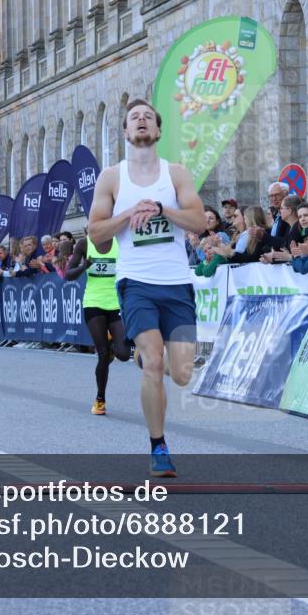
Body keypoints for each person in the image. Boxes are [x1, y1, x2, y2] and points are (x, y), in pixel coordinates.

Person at [87, 97, 205, 477]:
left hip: (177, 283)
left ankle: (141, 356)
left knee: (182, 372)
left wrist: (161, 208)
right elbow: (96, 233)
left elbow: (199, 222)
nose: (141, 120)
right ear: (125, 131)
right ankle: (159, 447)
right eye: (134, 117)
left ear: (158, 130)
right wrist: (129, 213)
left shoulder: (176, 174)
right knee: (155, 362)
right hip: (136, 282)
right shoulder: (112, 178)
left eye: (147, 117)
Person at [64, 234, 131, 415]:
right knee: (103, 355)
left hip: (116, 302)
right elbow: (68, 275)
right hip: (93, 302)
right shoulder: (84, 243)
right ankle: (100, 399)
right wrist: (83, 267)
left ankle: (112, 343)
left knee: (124, 355)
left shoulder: (120, 241)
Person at [261, 194, 302, 260]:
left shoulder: (297, 229)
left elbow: (293, 256)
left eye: (281, 208)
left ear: (289, 211)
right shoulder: (291, 228)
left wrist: (272, 258)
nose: (280, 211)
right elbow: (284, 248)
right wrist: (271, 257)